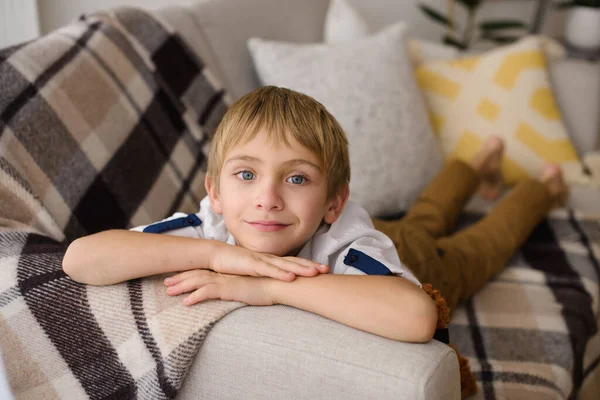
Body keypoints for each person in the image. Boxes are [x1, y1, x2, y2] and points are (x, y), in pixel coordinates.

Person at [62, 86, 568, 347]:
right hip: (382, 231)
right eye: (246, 175)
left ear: (333, 202)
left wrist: (272, 287)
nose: (267, 198)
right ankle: (478, 163)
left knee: (475, 245)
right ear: (213, 192)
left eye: (297, 178)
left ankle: (544, 188)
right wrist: (218, 255)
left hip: (411, 258)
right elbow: (81, 260)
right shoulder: (213, 227)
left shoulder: (345, 245)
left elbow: (418, 315)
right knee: (426, 215)